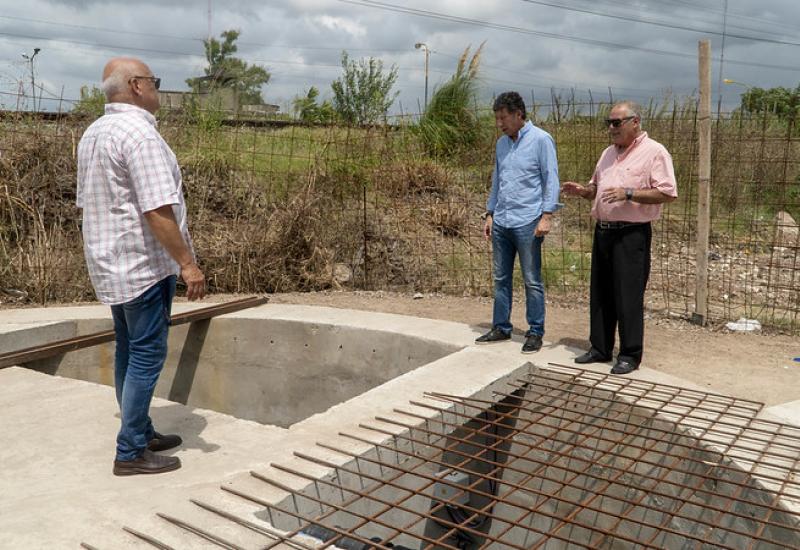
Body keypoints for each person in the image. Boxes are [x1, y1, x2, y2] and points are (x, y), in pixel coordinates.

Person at [77, 57, 206, 475]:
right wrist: (187, 264)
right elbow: (157, 210)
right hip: (143, 266)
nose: (156, 88)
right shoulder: (140, 136)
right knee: (147, 355)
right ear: (136, 85)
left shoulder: (95, 133)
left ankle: (142, 429)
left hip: (111, 264)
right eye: (154, 80)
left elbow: (90, 203)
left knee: (128, 350)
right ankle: (131, 449)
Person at [562, 101, 677, 375]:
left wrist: (629, 193)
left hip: (631, 234)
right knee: (601, 293)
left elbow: (668, 192)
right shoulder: (607, 154)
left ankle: (629, 354)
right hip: (603, 231)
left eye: (616, 123)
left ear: (635, 122)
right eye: (608, 123)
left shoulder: (654, 152)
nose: (611, 128)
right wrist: (583, 191)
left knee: (628, 294)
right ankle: (600, 348)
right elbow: (597, 189)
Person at [475, 91, 560, 353]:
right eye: (497, 118)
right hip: (502, 220)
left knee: (532, 279)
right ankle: (501, 327)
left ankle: (535, 332)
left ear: (518, 115)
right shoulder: (502, 144)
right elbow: (497, 182)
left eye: (503, 117)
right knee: (501, 277)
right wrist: (490, 213)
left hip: (527, 221)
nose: (500, 123)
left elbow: (551, 179)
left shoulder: (541, 140)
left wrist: (547, 216)